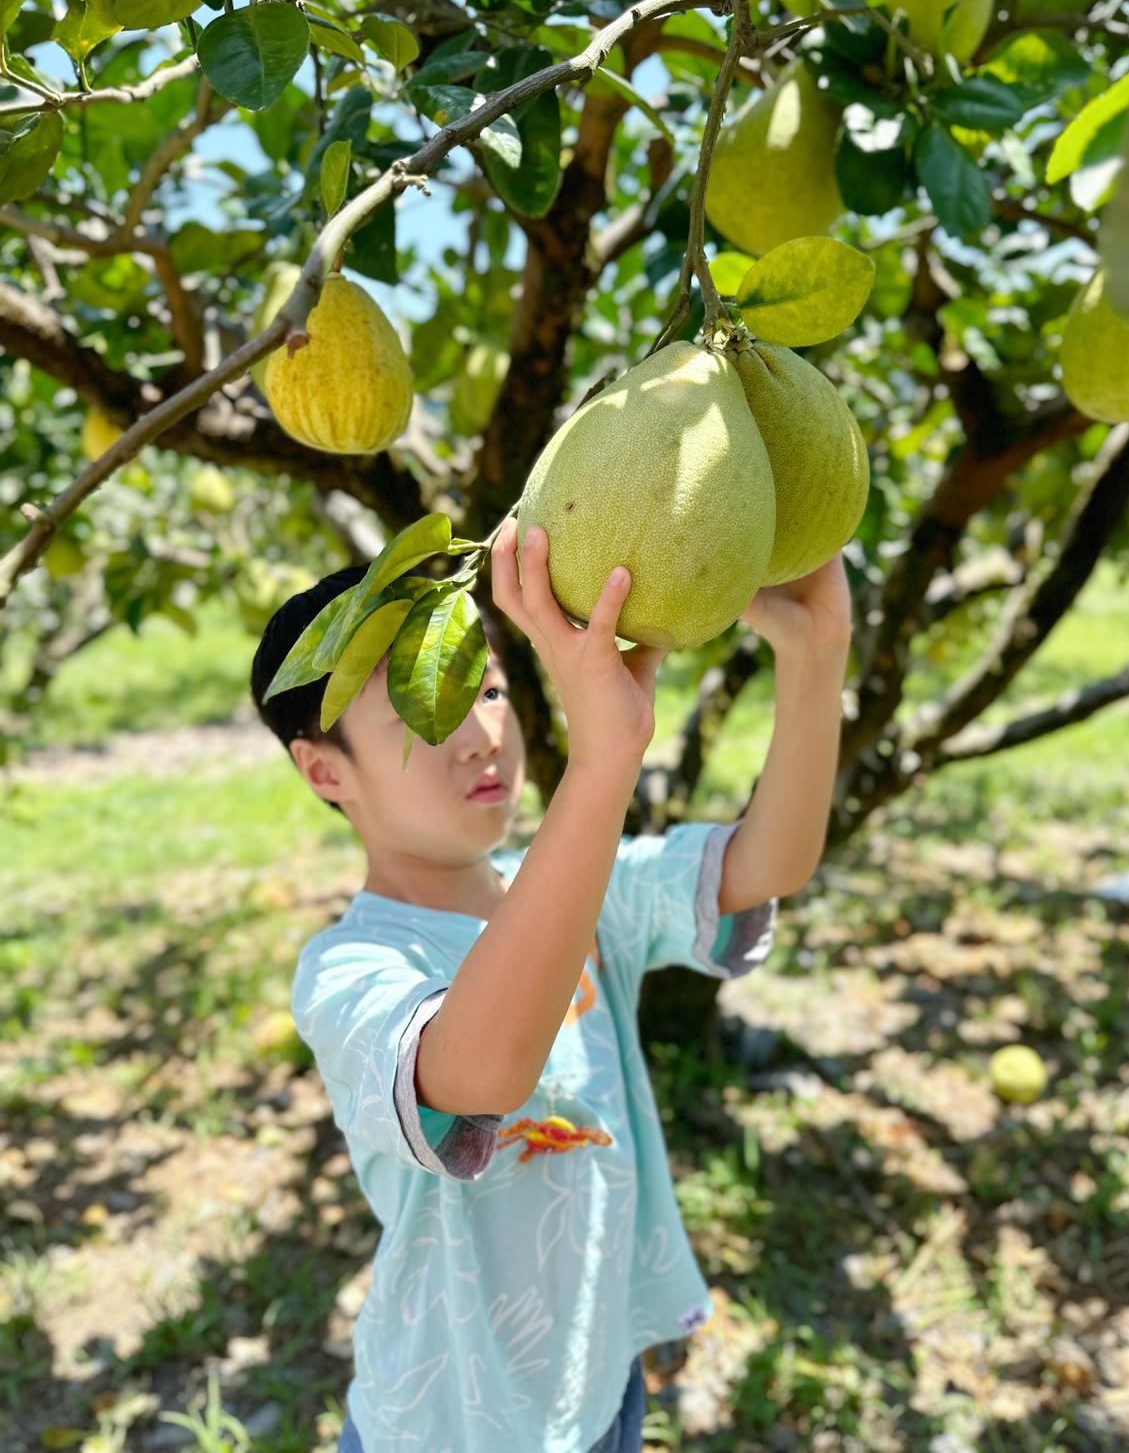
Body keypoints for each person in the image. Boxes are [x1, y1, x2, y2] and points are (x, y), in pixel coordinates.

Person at [249, 516, 851, 1453]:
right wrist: (602, 770)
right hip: (448, 1426)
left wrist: (817, 655)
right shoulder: (349, 968)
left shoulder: (576, 886)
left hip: (598, 1392)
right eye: (419, 707)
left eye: (484, 686)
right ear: (325, 770)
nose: (480, 734)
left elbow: (768, 863)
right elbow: (477, 1075)